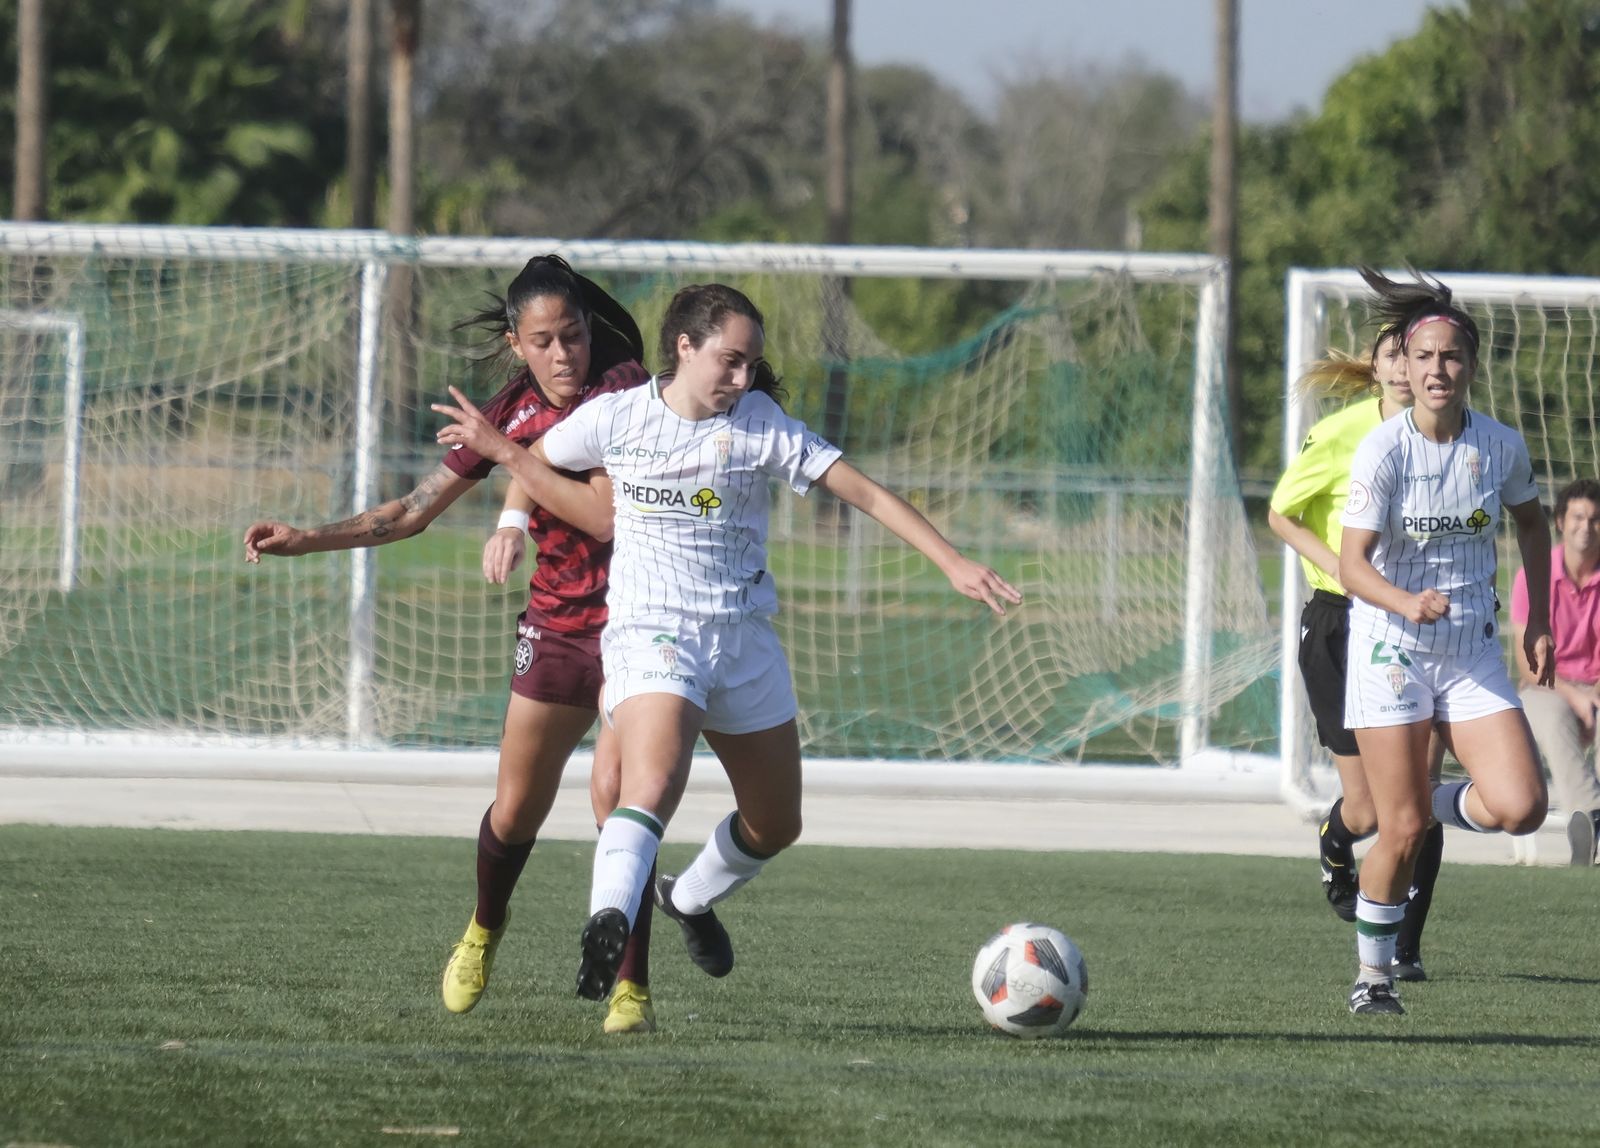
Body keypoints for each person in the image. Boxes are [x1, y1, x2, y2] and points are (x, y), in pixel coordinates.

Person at [488, 282, 1021, 1005]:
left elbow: (861, 492)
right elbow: (530, 462)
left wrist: (952, 560)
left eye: (750, 365)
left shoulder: (760, 424)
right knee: (651, 783)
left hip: (741, 641)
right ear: (684, 347)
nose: (741, 378)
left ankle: (688, 898)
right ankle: (608, 919)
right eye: (729, 361)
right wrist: (511, 527)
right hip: (652, 633)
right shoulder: (616, 417)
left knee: (776, 823)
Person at [244, 255, 663, 1033]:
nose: (564, 354)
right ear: (515, 343)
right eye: (544, 341)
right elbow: (413, 510)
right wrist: (306, 538)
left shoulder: (626, 391)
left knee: (620, 802)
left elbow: (603, 515)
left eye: (572, 334)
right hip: (557, 627)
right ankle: (482, 930)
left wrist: (507, 468)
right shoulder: (509, 409)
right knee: (515, 812)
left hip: (639, 632)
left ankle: (631, 988)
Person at [1337, 265, 1553, 1016]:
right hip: (1390, 651)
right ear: (1407, 363)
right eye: (1424, 357)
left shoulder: (1499, 446)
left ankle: (1428, 797)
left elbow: (1532, 522)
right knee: (1397, 830)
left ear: (1470, 366)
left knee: (1524, 807)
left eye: (1451, 357)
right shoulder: (1384, 451)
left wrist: (1542, 619)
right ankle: (1373, 978)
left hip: (1470, 656)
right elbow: (1350, 565)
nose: (1437, 369)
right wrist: (1406, 601)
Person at [1267, 333, 1445, 979]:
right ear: (1376, 367)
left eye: (1416, 353)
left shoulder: (1446, 440)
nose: (1406, 366)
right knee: (1370, 808)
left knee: (1418, 801)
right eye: (1394, 354)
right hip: (1343, 625)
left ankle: (1405, 949)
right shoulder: (1343, 434)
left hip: (1417, 627)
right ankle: (1336, 841)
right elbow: (1282, 513)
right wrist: (1341, 570)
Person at [1510, 477, 1600, 866]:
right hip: (1547, 686)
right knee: (1555, 717)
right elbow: (1528, 664)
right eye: (1578, 516)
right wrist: (1577, 697)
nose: (1587, 526)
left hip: (1595, 686)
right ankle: (1591, 817)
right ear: (1561, 522)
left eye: (1595, 519)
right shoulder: (1534, 575)